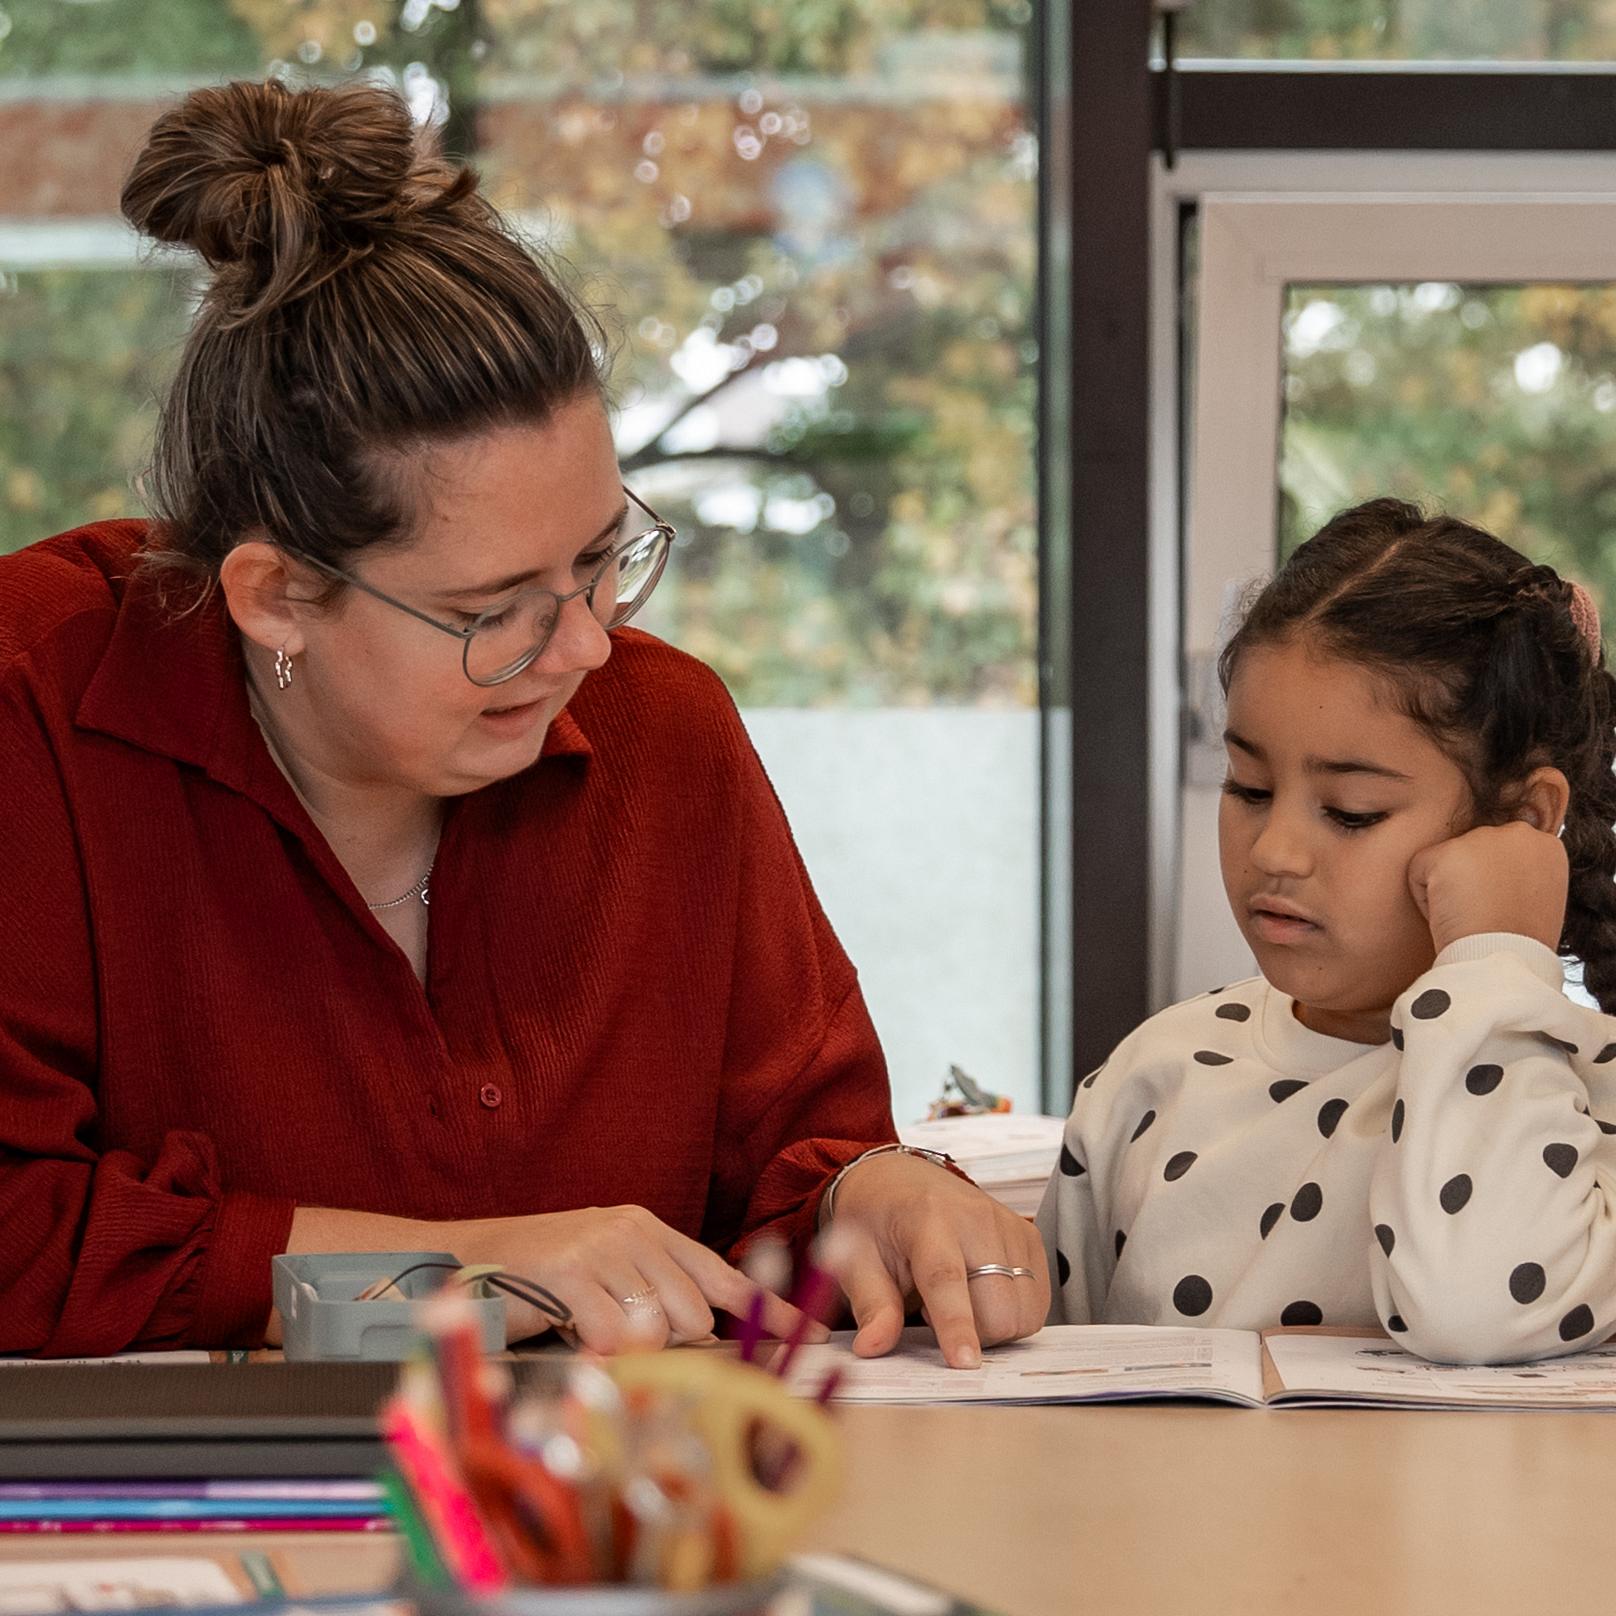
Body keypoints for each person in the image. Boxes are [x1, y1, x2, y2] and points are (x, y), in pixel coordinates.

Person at [0, 77, 1047, 1363]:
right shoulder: (36, 710)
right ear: (276, 597)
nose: (587, 646)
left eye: (602, 559)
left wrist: (872, 1197)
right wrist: (456, 1265)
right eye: (493, 610)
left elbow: (784, 1172)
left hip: (618, 1516)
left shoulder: (665, 735)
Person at [1039, 497, 1616, 1364]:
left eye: (1351, 813)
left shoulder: (1579, 1097)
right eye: (1249, 788)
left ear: (1524, 820)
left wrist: (1498, 957)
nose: (1274, 851)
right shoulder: (1157, 1071)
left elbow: (1477, 1309)